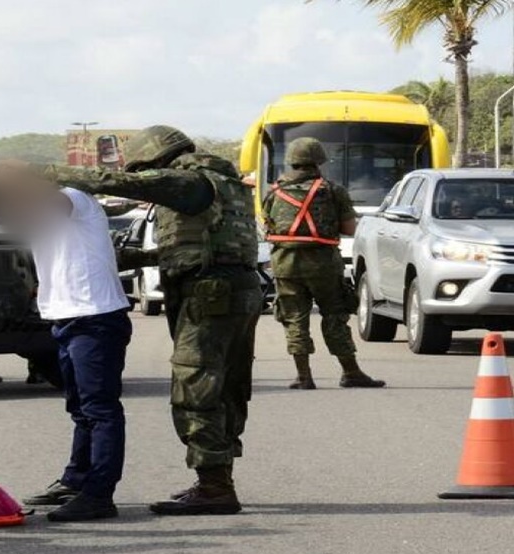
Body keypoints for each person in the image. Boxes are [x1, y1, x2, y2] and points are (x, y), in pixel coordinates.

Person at [51, 125, 259, 516]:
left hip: (209, 294)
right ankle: (215, 480)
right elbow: (208, 245)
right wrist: (139, 258)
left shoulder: (188, 181)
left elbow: (122, 183)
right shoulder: (223, 183)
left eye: (145, 170)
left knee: (195, 387)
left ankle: (215, 486)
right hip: (233, 288)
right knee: (226, 387)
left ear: (157, 160)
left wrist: (50, 174)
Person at [0, 161, 133, 522]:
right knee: (79, 408)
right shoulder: (35, 211)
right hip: (65, 318)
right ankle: (76, 480)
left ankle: (99, 494)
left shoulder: (73, 198)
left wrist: (14, 180)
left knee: (100, 410)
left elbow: (46, 203)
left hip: (95, 317)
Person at [263, 138, 385, 390]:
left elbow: (268, 225)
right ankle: (351, 372)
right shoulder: (332, 190)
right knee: (335, 316)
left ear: (291, 161)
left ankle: (303, 376)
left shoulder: (274, 192)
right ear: (319, 161)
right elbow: (349, 228)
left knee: (294, 319)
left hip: (285, 265)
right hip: (324, 265)